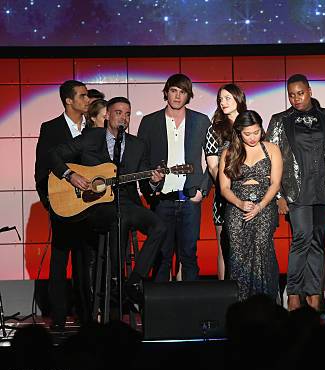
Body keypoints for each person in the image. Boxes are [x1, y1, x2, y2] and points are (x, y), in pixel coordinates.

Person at [49, 96, 167, 307]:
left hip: (128, 202)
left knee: (159, 226)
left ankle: (133, 281)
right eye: (119, 112)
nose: (124, 117)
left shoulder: (138, 145)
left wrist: (155, 181)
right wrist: (70, 175)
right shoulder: (90, 138)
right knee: (117, 219)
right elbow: (54, 154)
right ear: (108, 116)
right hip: (96, 206)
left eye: (128, 114)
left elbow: (146, 186)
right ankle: (114, 279)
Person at [266, 74, 325, 311]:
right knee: (301, 239)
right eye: (291, 95)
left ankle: (315, 294)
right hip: (295, 192)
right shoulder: (280, 120)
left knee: (318, 242)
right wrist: (278, 196)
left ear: (309, 90)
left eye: (300, 93)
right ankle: (294, 293)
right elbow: (271, 159)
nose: (296, 99)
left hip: (324, 191)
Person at [138, 74, 211, 282]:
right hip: (162, 199)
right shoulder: (150, 122)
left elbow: (214, 159)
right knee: (162, 256)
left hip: (190, 198)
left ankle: (191, 312)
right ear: (166, 92)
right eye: (173, 90)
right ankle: (159, 312)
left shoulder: (200, 121)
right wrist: (151, 186)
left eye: (183, 92)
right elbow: (141, 160)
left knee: (188, 255)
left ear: (188, 95)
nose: (177, 96)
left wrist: (202, 190)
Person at [34, 80, 91, 330]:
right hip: (61, 205)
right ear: (68, 100)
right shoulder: (51, 128)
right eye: (82, 96)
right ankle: (58, 317)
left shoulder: (93, 129)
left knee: (84, 262)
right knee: (59, 261)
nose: (87, 100)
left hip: (89, 206)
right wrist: (50, 203)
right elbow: (41, 170)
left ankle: (86, 315)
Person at [219, 110, 282, 301]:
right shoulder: (229, 152)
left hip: (264, 207)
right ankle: (240, 305)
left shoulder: (271, 149)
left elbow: (275, 184)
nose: (253, 137)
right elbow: (224, 188)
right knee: (238, 255)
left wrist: (260, 206)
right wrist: (239, 203)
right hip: (237, 209)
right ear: (239, 132)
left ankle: (266, 304)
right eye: (247, 133)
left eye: (256, 132)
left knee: (263, 249)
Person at [206, 84, 247, 280]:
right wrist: (229, 189)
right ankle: (225, 297)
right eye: (220, 99)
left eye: (228, 98)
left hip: (251, 195)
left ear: (238, 99)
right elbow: (213, 168)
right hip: (225, 195)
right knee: (225, 248)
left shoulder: (250, 124)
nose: (223, 102)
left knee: (250, 248)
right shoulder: (215, 130)